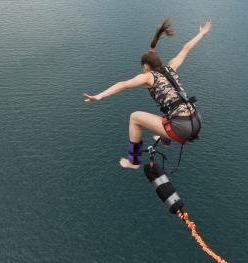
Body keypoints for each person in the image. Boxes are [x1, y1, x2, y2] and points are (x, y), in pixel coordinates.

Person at [84, 18, 211, 169]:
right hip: (196, 120)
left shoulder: (148, 76)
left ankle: (133, 162)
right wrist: (202, 33)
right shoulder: (171, 67)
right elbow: (186, 48)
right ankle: (165, 139)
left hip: (182, 128)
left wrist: (99, 96)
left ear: (146, 66)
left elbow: (123, 84)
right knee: (170, 108)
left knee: (135, 117)